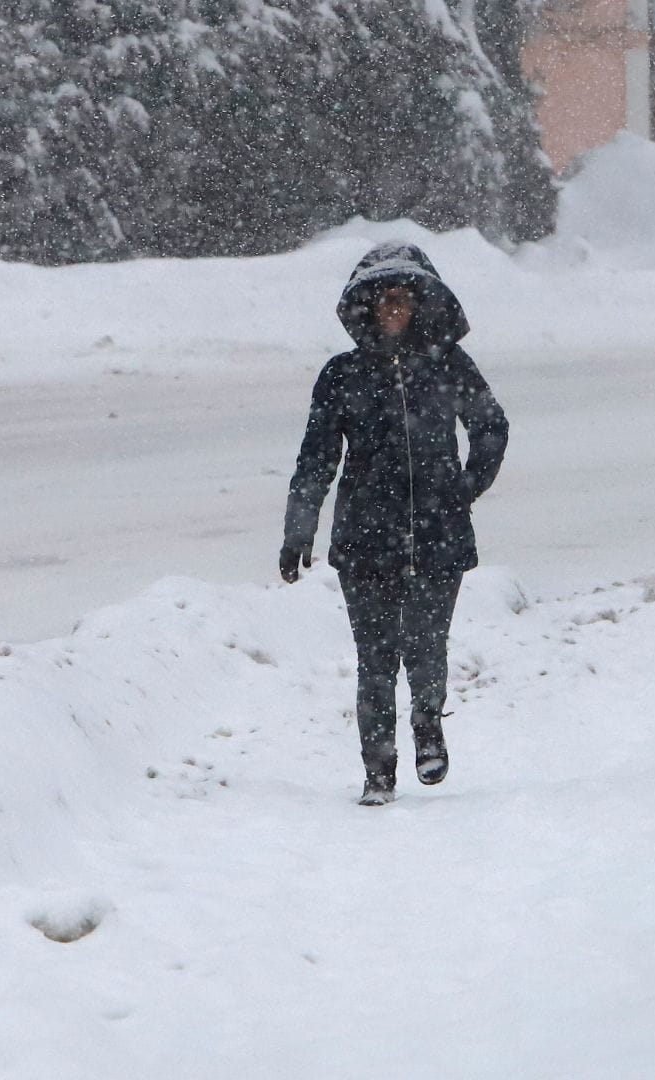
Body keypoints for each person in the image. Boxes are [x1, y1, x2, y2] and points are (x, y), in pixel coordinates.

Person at [279, 242, 509, 806]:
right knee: (375, 658)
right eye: (385, 300)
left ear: (421, 304)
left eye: (404, 299)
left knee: (427, 648)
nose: (394, 309)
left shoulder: (450, 365)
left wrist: (464, 488)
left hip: (438, 537)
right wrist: (298, 529)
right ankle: (377, 772)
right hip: (364, 539)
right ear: (368, 307)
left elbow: (491, 426)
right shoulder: (342, 375)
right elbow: (316, 457)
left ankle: (428, 727)